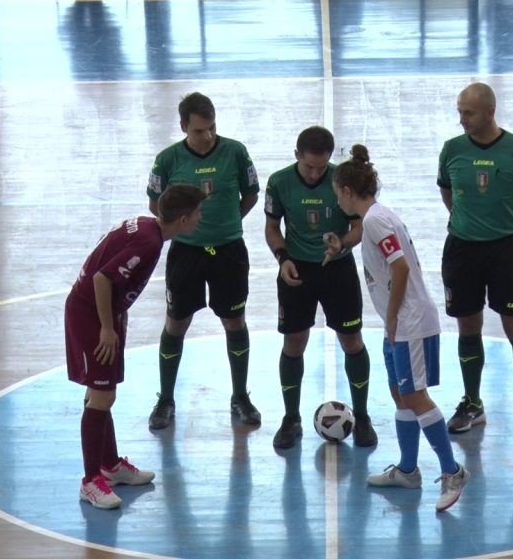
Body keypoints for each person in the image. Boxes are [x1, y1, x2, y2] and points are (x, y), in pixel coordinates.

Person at [333, 144, 469, 512]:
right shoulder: (376, 217)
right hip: (398, 324)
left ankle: (453, 471)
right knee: (400, 394)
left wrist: (392, 317)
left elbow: (400, 267)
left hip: (409, 322)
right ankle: (408, 471)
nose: (337, 201)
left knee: (416, 397)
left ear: (347, 190)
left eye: (337, 194)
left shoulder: (375, 220)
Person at [66, 183, 206, 509]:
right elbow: (102, 279)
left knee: (104, 390)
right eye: (198, 213)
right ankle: (90, 482)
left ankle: (110, 465)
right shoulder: (149, 243)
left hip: (105, 312)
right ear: (183, 219)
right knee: (102, 395)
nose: (201, 218)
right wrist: (106, 327)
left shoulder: (146, 226)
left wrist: (118, 314)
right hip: (90, 314)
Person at [436, 82, 513, 441]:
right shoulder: (452, 149)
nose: (462, 119)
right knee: (468, 326)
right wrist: (467, 221)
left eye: (468, 113)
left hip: (505, 253)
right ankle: (472, 402)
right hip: (461, 250)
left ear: (490, 112)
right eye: (459, 112)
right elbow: (446, 191)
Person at [145, 92, 262, 429]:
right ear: (183, 127)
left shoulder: (235, 152)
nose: (207, 136)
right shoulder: (167, 159)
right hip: (186, 253)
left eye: (212, 128)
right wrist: (188, 228)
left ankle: (240, 397)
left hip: (228, 252)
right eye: (199, 130)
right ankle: (166, 400)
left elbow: (251, 195)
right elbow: (155, 205)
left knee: (234, 322)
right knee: (176, 323)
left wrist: (226, 222)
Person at [264, 126, 376, 449]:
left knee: (352, 341)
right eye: (309, 166)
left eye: (322, 167)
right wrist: (282, 258)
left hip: (337, 269)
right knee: (294, 342)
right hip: (297, 269)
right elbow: (272, 228)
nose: (315, 173)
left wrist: (342, 243)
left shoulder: (343, 180)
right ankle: (291, 418)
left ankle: (363, 417)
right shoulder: (279, 182)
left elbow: (360, 225)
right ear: (296, 155)